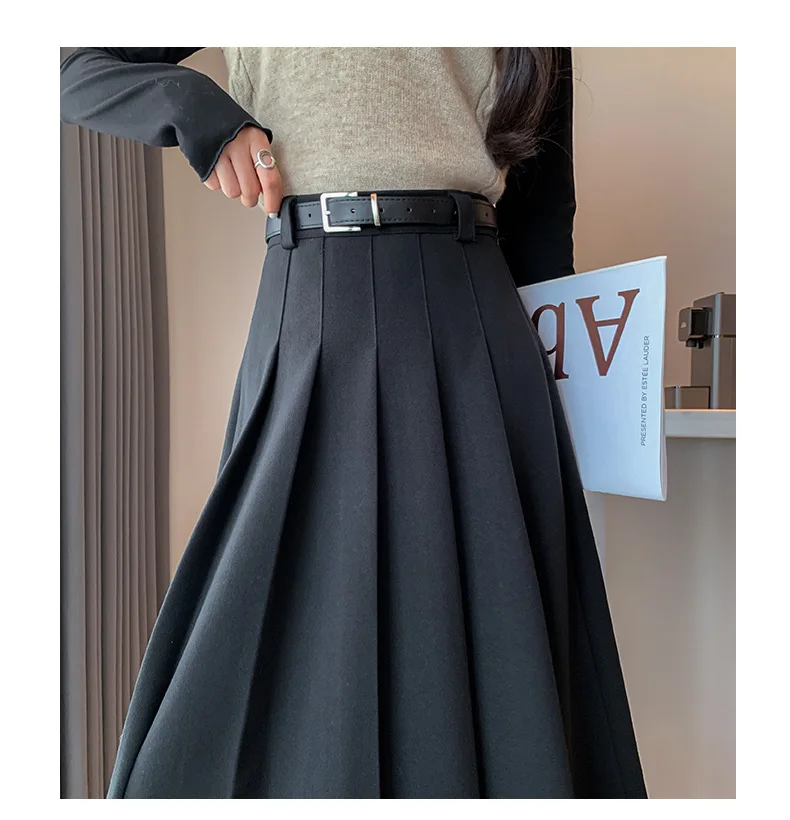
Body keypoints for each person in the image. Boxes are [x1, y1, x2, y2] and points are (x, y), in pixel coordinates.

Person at [60, 46, 647, 799]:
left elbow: (541, 223)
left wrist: (571, 408)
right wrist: (197, 108)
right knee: (277, 648)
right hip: (312, 308)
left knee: (498, 652)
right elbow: (70, 64)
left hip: (476, 322)